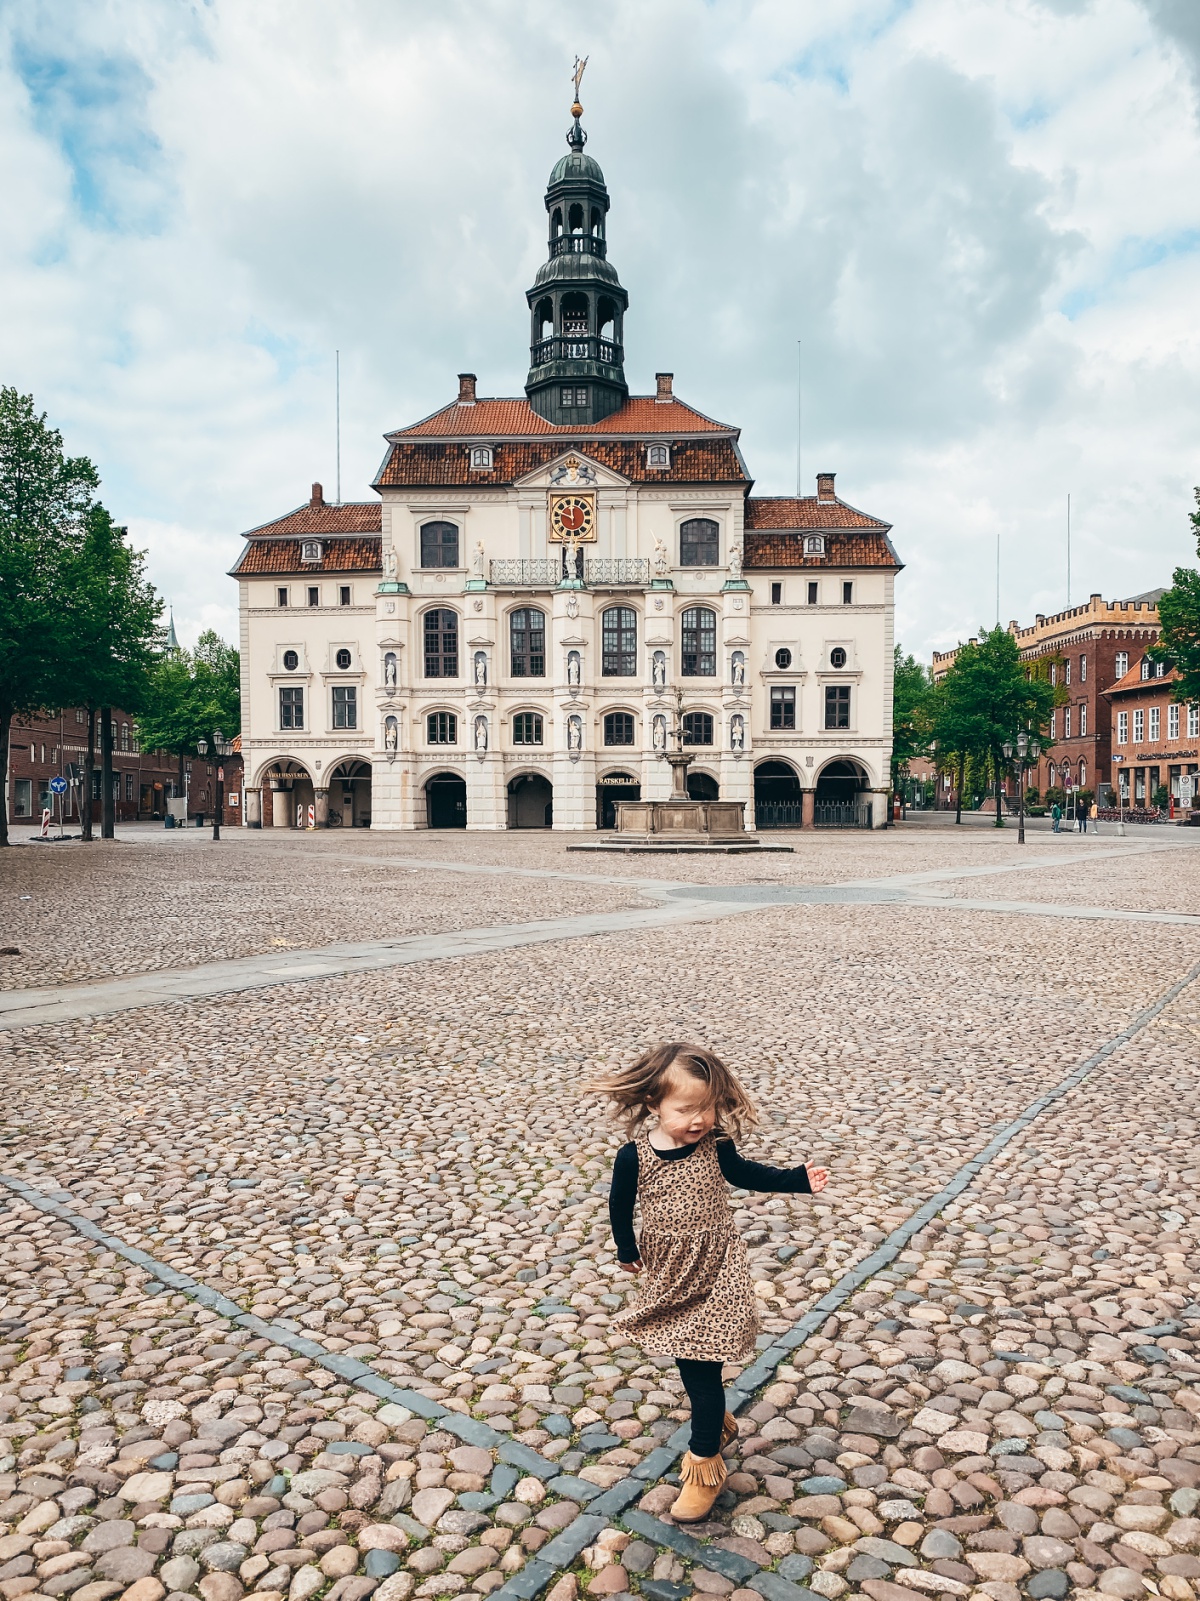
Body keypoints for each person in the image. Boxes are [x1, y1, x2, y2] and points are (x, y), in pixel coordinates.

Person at [590, 1043, 829, 1524]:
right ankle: (715, 1424)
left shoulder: (715, 1145)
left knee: (702, 1365)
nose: (698, 1119)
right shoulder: (633, 1156)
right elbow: (619, 1206)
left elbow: (746, 1175)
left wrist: (796, 1180)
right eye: (686, 1109)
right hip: (670, 1274)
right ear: (655, 1105)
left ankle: (704, 1467)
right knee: (688, 1359)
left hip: (717, 1268)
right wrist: (626, 1249)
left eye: (708, 1107)